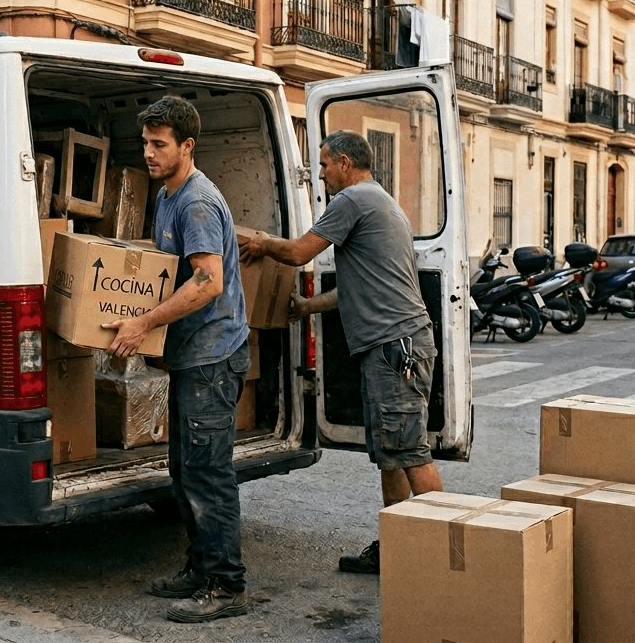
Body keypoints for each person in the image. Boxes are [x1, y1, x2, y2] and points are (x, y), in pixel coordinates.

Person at [239, 130, 442, 575]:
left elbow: (296, 253)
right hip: (396, 346)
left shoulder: (351, 201)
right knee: (391, 454)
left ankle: (448, 557)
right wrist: (308, 306)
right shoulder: (382, 202)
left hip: (396, 349)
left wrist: (260, 243)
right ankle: (396, 547)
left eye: (326, 165)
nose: (323, 174)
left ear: (346, 163)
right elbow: (361, 285)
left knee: (409, 452)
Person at [101, 95, 252, 622]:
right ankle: (199, 567)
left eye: (158, 144)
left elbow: (208, 283)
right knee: (184, 468)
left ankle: (226, 585)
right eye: (145, 143)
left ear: (187, 146)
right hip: (191, 355)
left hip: (213, 357)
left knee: (208, 472)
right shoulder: (167, 194)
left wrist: (143, 322)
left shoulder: (196, 202)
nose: (148, 152)